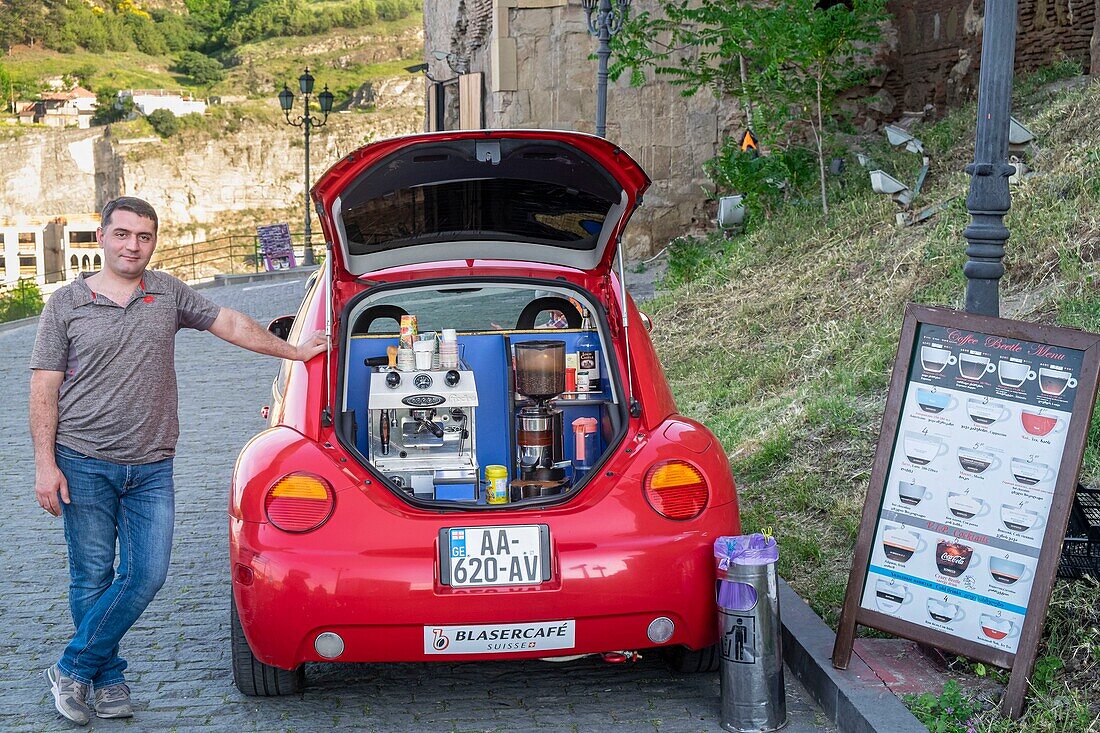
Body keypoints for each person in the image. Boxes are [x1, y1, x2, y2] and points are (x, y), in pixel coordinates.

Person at [29, 197, 325, 725]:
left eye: (143, 236)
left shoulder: (165, 291)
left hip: (151, 466)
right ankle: (108, 678)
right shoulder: (65, 304)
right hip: (83, 461)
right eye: (122, 234)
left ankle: (72, 667)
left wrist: (296, 351)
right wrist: (44, 465)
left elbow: (229, 321)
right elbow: (43, 386)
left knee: (147, 574)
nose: (132, 246)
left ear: (153, 241)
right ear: (101, 237)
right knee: (92, 576)